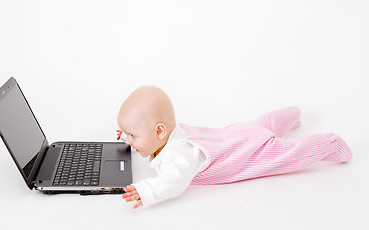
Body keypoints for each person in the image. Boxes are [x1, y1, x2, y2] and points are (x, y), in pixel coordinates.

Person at [117, 86, 352, 209]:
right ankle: (291, 115)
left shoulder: (180, 152)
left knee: (286, 154)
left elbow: (174, 181)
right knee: (262, 125)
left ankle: (328, 144)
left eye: (132, 136)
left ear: (159, 131)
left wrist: (147, 191)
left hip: (247, 153)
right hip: (237, 133)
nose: (129, 141)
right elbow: (148, 142)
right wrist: (131, 135)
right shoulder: (170, 133)